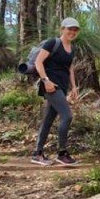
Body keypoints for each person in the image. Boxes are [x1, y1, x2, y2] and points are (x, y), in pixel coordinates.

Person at [30, 18, 81, 167]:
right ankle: (62, 153)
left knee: (48, 119)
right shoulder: (52, 43)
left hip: (62, 86)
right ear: (62, 29)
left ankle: (37, 153)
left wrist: (74, 87)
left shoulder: (72, 47)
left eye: (75, 30)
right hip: (50, 85)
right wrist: (46, 81)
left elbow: (70, 68)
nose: (72, 32)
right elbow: (38, 62)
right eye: (69, 29)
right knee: (67, 115)